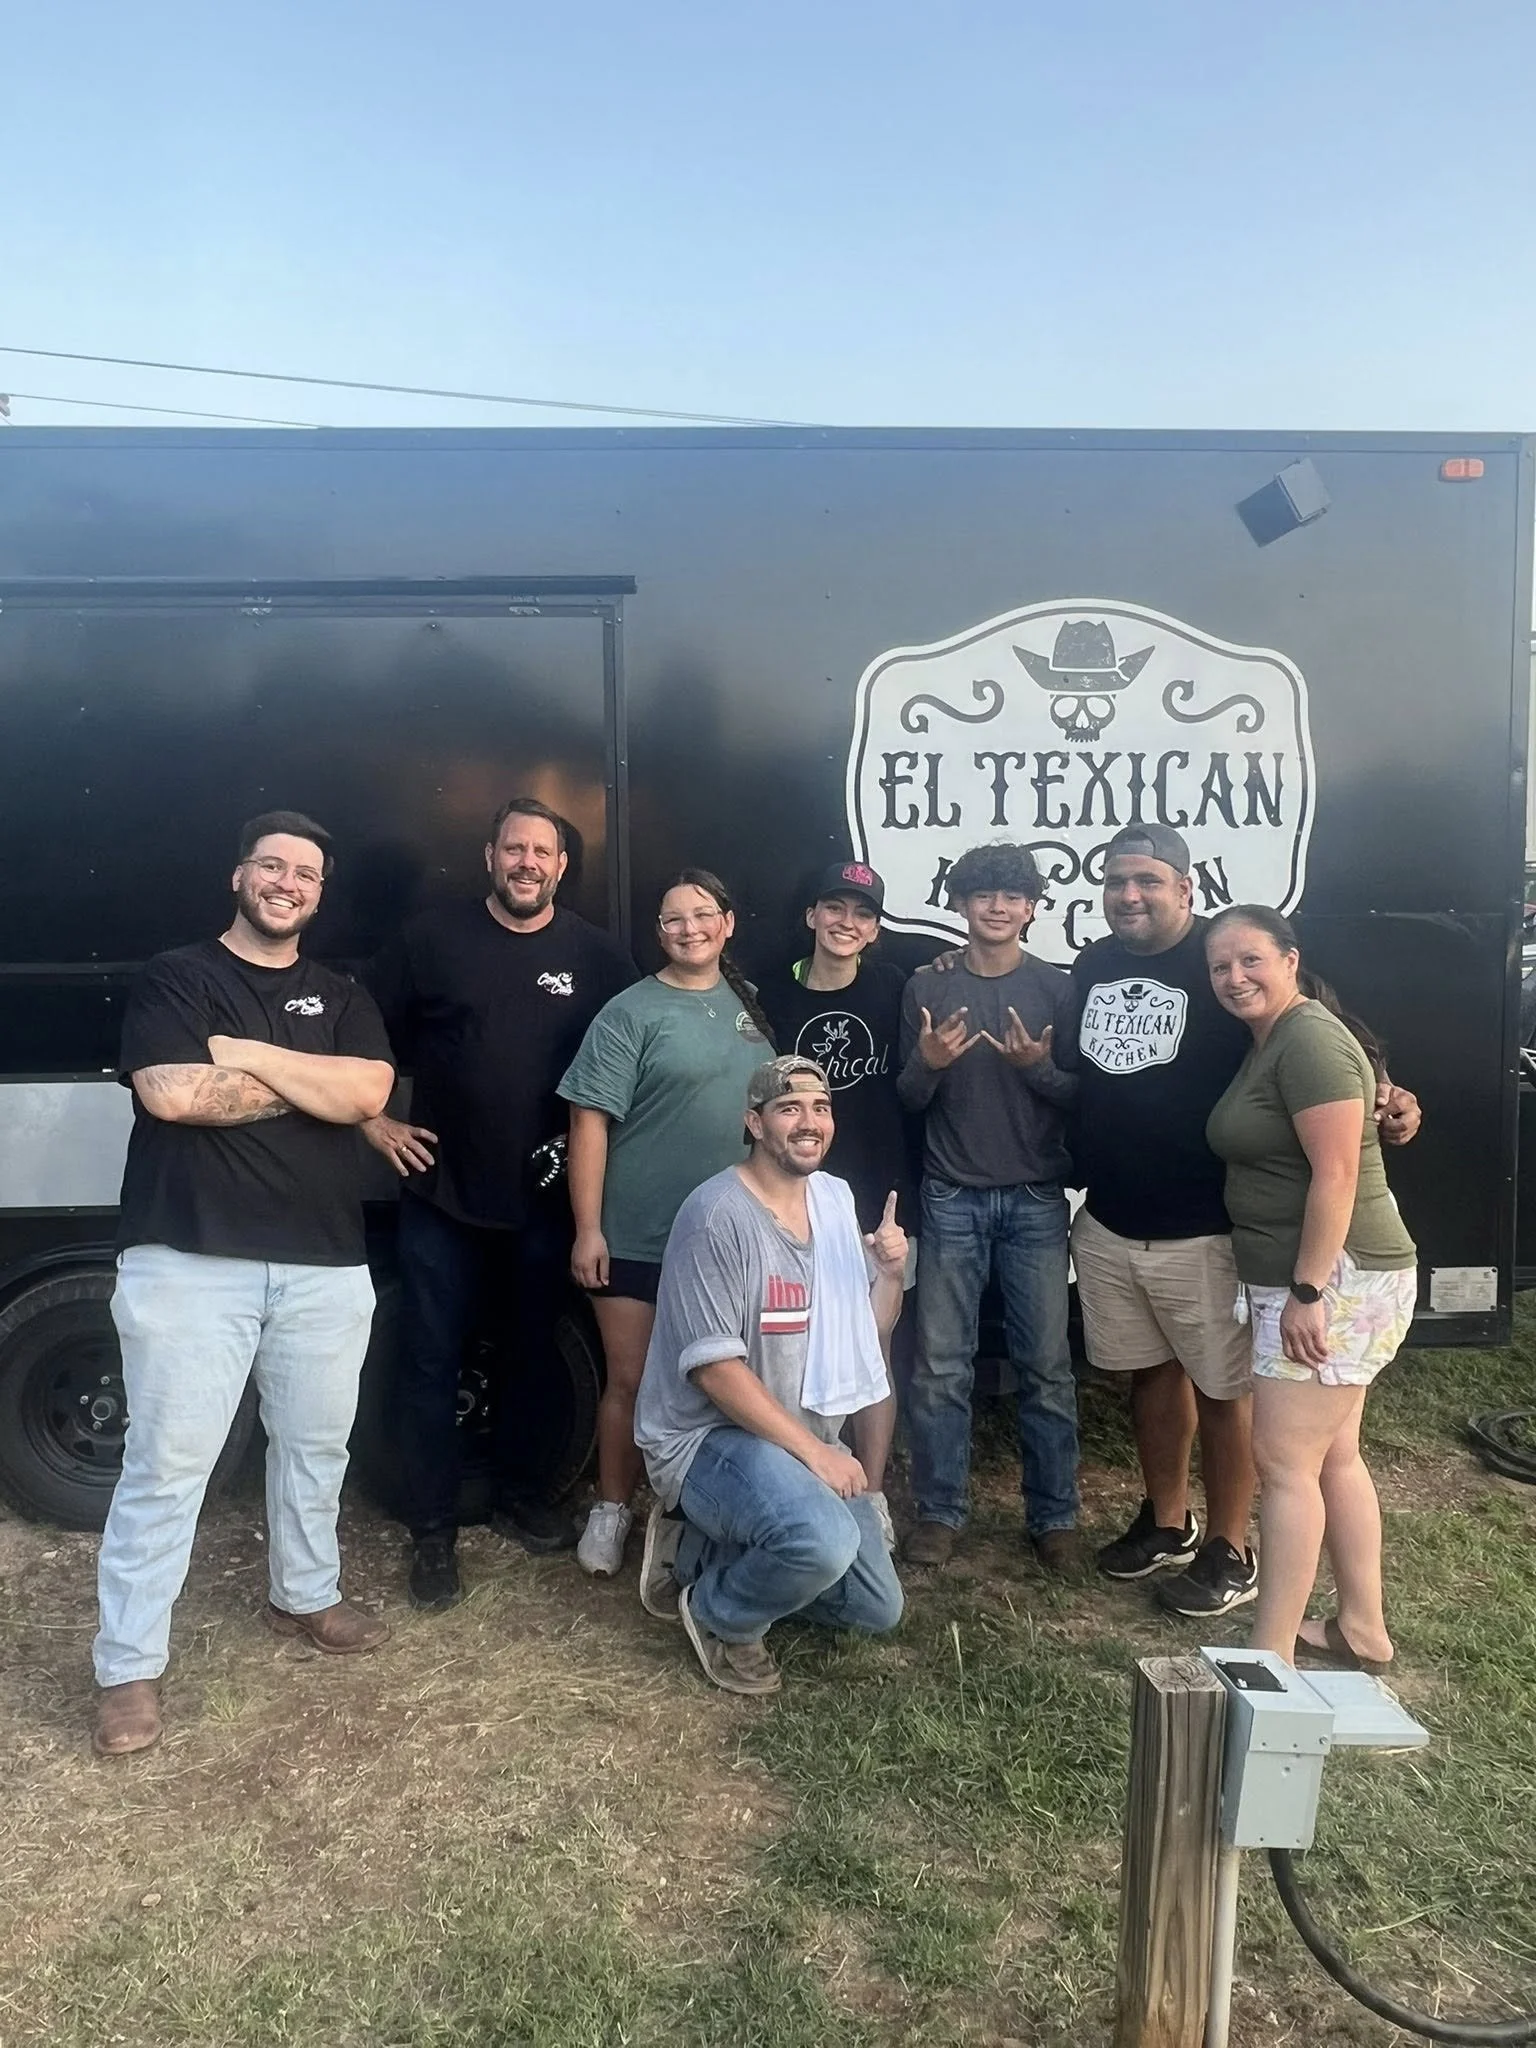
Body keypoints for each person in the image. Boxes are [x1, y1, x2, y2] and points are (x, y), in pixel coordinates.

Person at [92, 812, 396, 1759]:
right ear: (239, 877)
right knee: (168, 1467)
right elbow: (173, 1096)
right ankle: (128, 1667)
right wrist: (316, 1087)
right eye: (272, 865)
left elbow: (369, 1096)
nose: (288, 882)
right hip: (189, 1260)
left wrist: (248, 1053)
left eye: (306, 872)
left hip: (324, 1266)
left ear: (319, 892)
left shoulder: (342, 992)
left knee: (315, 1448)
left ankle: (304, 1594)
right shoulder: (178, 976)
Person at [1059, 824, 1420, 1619]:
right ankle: (1166, 1523)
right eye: (1117, 881)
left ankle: (1230, 1546)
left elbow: (1333, 1038)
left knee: (1225, 1393)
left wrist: (1391, 1093)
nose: (1130, 895)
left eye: (1148, 881)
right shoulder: (1093, 964)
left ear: (1185, 890)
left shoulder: (1225, 959)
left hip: (1206, 1225)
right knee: (1148, 1376)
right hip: (1112, 1221)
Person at [363, 798, 636, 1609]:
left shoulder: (595, 955)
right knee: (426, 1361)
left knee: (529, 1354)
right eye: (513, 848)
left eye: (542, 852)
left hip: (545, 1202)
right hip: (441, 1195)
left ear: (561, 866)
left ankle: (521, 1494)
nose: (527, 862)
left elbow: (640, 1050)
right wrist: (375, 1122)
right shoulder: (428, 939)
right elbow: (354, 1033)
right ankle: (433, 1531)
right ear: (490, 857)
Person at [633, 1056, 906, 1694]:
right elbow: (714, 1372)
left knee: (876, 1610)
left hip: (800, 1434)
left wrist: (891, 1275)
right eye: (789, 1109)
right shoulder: (715, 1215)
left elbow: (872, 1335)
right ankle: (717, 1613)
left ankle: (700, 1551)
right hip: (708, 1437)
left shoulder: (835, 1203)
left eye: (821, 1108)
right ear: (754, 1123)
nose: (809, 1122)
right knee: (823, 1540)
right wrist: (816, 1452)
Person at [1203, 906, 1418, 1672]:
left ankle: (1270, 1657)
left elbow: (1338, 1173)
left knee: (1285, 1462)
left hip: (1335, 1278)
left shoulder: (1312, 1039)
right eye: (1221, 967)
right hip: (1323, 1277)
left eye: (1251, 960)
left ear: (1290, 959)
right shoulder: (1277, 1040)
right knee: (1335, 1457)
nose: (1235, 978)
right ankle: (1362, 1628)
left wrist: (1306, 1289)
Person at [559, 869, 774, 1576]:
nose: (690, 929)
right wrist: (590, 1228)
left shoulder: (750, 1007)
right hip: (641, 1232)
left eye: (702, 915)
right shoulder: (630, 1012)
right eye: (673, 920)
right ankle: (612, 1510)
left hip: (730, 1239)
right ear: (659, 933)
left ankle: (694, 1522)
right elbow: (588, 1120)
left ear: (728, 923)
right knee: (631, 1382)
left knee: (722, 1386)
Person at [897, 843, 1081, 1572]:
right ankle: (939, 1514)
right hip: (950, 1197)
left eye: (1011, 895)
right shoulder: (924, 988)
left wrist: (1036, 1069)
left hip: (1037, 1199)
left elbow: (1080, 1095)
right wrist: (929, 1065)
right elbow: (906, 1097)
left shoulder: (1059, 991)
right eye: (982, 895)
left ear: (1033, 907)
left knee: (1046, 1366)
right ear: (961, 905)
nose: (997, 907)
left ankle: (1055, 1518)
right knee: (941, 1366)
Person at [756, 858, 915, 1533]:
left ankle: (872, 1494)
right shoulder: (767, 997)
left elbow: (917, 1089)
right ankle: (799, 1478)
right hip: (791, 1201)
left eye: (863, 914)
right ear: (811, 917)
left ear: (875, 930)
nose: (847, 923)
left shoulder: (895, 991)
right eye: (836, 908)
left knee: (872, 1351)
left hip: (877, 1204)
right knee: (784, 1354)